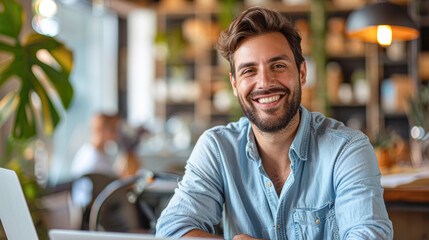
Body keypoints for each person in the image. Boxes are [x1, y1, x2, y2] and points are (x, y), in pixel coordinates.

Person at [156, 6, 393, 240]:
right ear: (235, 85)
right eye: (249, 70)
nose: (264, 83)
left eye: (278, 66)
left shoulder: (347, 149)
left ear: (302, 73)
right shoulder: (217, 148)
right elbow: (172, 230)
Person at [70, 113, 120, 178]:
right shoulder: (91, 159)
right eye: (112, 129)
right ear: (100, 130)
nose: (117, 134)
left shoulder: (99, 152)